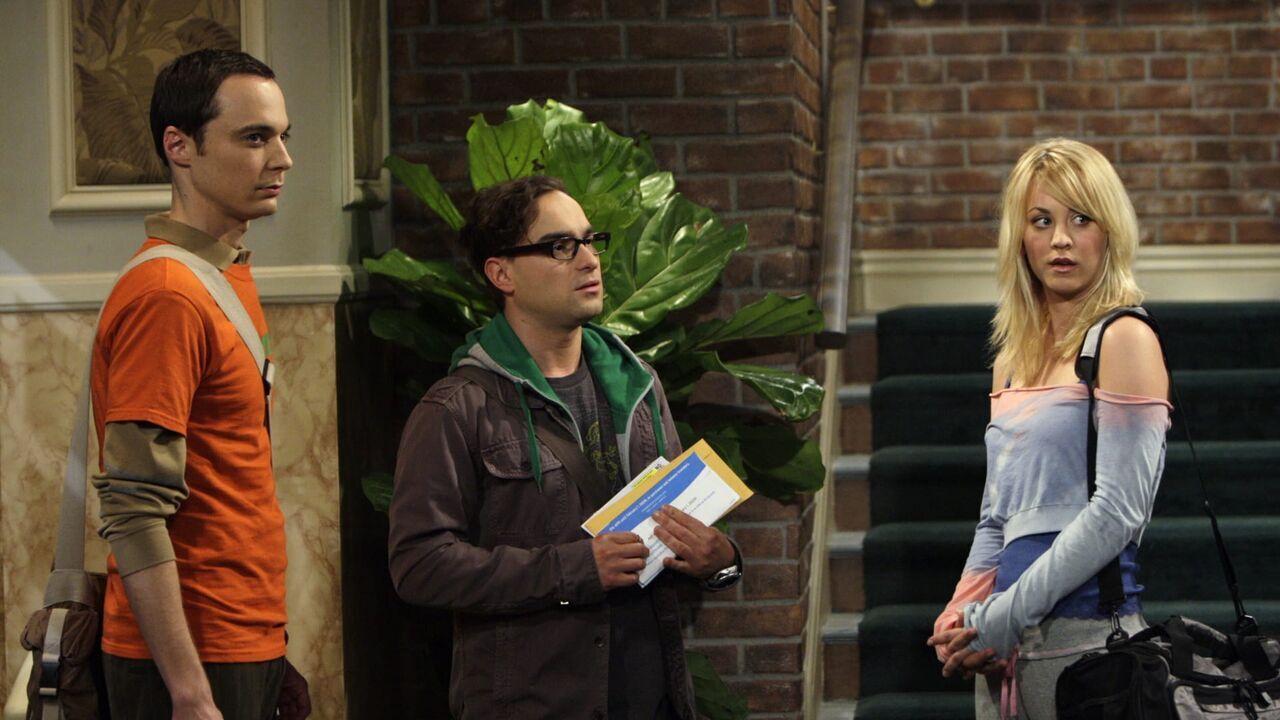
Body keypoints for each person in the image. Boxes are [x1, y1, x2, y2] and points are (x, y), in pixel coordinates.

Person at [388, 175, 745, 720]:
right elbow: (420, 566)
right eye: (559, 246)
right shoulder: (456, 408)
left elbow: (677, 527)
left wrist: (719, 561)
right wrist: (573, 570)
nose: (588, 260)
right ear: (501, 273)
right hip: (537, 702)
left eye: (589, 240)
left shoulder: (639, 384)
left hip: (654, 697)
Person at [90, 48, 309, 719]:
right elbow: (133, 508)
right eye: (255, 138)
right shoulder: (169, 293)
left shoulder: (222, 271)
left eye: (283, 136)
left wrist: (268, 646)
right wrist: (189, 690)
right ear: (179, 146)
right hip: (194, 653)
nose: (282, 159)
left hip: (238, 635)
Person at [926, 138, 1172, 719]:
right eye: (1042, 221)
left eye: (1081, 219)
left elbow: (1119, 512)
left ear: (1109, 231)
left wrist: (1003, 618)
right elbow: (997, 515)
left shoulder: (1125, 337)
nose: (1061, 238)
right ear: (1021, 238)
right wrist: (961, 611)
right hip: (1001, 649)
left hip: (1088, 647)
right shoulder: (1011, 359)